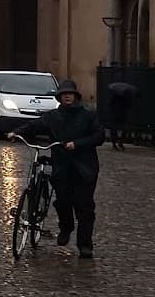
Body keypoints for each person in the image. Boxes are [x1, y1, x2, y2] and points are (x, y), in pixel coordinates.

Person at [10, 79, 104, 259]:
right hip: (62, 167)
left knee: (84, 206)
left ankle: (85, 244)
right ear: (60, 97)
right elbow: (34, 126)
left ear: (76, 96)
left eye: (70, 94)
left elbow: (98, 136)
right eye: (64, 94)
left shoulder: (88, 115)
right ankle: (66, 228)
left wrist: (77, 144)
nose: (67, 96)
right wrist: (17, 132)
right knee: (62, 202)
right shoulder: (53, 116)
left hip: (84, 168)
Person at [104, 81, 138, 151]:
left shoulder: (125, 96)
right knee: (115, 129)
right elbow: (128, 105)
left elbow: (110, 104)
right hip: (118, 114)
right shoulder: (117, 96)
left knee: (121, 129)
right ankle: (116, 143)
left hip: (119, 114)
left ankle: (119, 142)